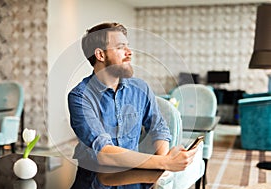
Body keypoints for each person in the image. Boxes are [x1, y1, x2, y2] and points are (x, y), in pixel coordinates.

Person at [68, 22, 198, 172]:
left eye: (127, 46)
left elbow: (158, 128)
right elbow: (104, 153)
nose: (129, 52)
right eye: (120, 47)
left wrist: (162, 166)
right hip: (94, 182)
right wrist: (165, 162)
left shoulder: (141, 88)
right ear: (100, 55)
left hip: (131, 177)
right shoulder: (79, 96)